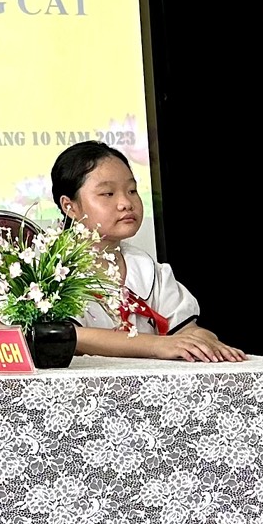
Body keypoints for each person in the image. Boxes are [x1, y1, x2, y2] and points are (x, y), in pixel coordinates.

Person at [51, 140, 244, 362]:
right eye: (108, 193)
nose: (126, 203)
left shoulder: (147, 268)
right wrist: (155, 345)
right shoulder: (51, 271)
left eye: (132, 190)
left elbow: (185, 329)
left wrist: (203, 341)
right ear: (69, 206)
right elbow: (66, 335)